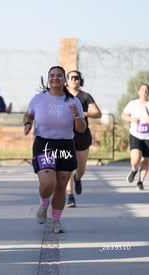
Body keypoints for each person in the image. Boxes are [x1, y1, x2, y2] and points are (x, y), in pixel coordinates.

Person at [23, 65, 86, 233]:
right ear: (48, 78)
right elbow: (28, 115)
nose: (55, 78)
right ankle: (44, 205)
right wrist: (28, 124)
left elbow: (81, 129)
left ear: (64, 79)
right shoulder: (38, 98)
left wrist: (77, 116)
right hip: (44, 144)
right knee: (48, 183)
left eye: (59, 75)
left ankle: (56, 221)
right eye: (52, 75)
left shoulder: (73, 101)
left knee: (61, 186)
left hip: (65, 145)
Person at [65, 70, 102, 208]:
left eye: (77, 78)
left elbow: (98, 113)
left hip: (82, 134)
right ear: (67, 80)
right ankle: (70, 195)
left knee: (81, 168)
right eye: (72, 77)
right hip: (66, 134)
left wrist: (82, 113)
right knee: (68, 165)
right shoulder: (63, 96)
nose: (75, 80)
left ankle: (78, 178)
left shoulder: (85, 96)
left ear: (81, 80)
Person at [121, 83, 149, 191]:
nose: (144, 91)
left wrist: (148, 114)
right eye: (142, 89)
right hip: (135, 134)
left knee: (146, 161)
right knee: (136, 157)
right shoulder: (132, 104)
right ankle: (133, 170)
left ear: (148, 93)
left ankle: (140, 181)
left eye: (146, 89)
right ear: (139, 92)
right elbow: (123, 115)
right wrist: (131, 119)